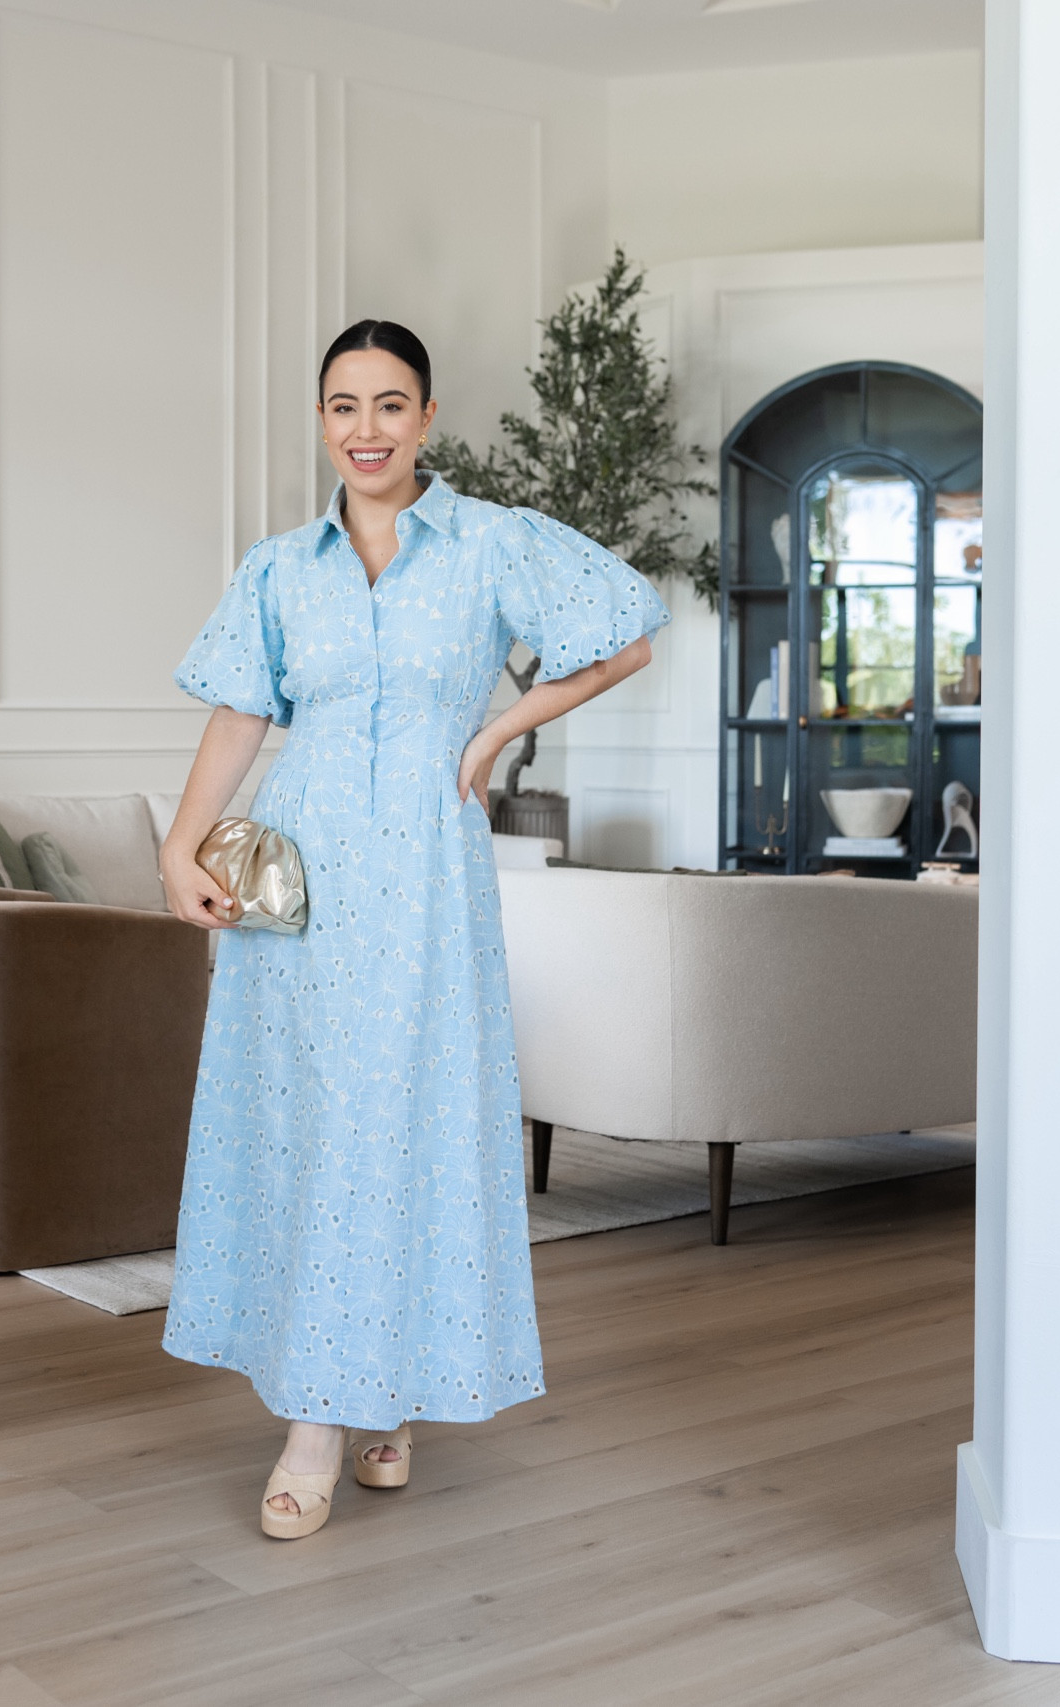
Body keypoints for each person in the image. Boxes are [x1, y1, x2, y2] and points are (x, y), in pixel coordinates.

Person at [159, 319, 669, 1539]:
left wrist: (492, 734)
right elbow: (240, 715)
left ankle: (369, 1398)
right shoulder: (280, 566)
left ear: (427, 419)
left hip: (430, 881)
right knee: (314, 1128)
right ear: (322, 420)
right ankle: (325, 1413)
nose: (367, 430)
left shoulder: (492, 543)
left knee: (405, 1125)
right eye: (344, 406)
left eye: (392, 406)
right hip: (304, 880)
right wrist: (181, 843)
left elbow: (628, 635)